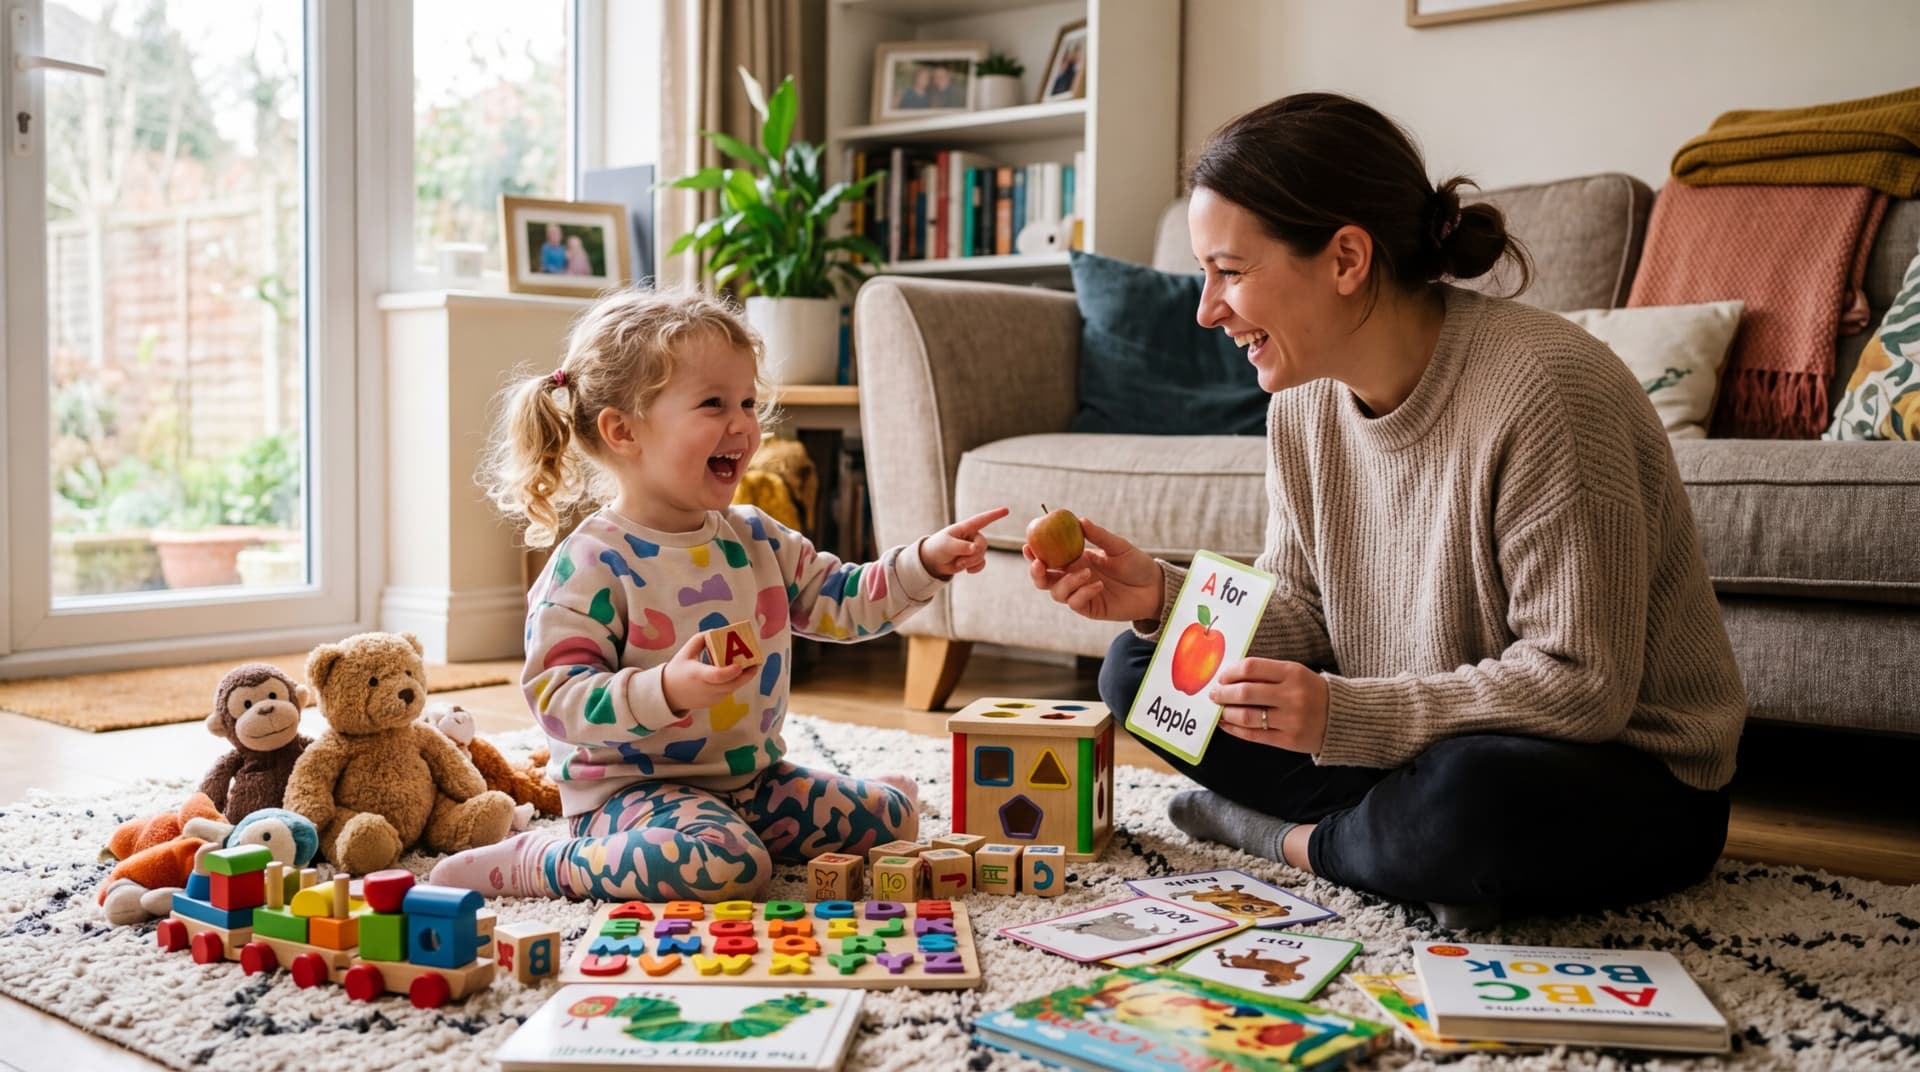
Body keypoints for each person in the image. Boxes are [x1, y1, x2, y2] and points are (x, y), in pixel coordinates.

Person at [1027, 93, 1745, 928]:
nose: (1206, 310)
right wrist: (1162, 596)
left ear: (1345, 258)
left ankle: (1293, 843)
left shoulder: (1547, 389)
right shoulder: (1300, 404)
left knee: (1469, 797)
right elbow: (1303, 612)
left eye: (1229, 272)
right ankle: (1388, 843)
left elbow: (1582, 687)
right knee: (1138, 671)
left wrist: (1343, 714)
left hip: (1618, 775)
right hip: (1412, 745)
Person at [431, 287, 1007, 902]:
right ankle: (543, 862)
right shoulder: (593, 562)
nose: (744, 425)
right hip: (630, 795)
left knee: (896, 819)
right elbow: (558, 697)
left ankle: (817, 811)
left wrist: (922, 563)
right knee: (730, 867)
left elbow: (843, 601)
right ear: (622, 430)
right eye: (713, 403)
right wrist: (666, 690)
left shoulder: (756, 536)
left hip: (752, 779)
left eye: (748, 402)